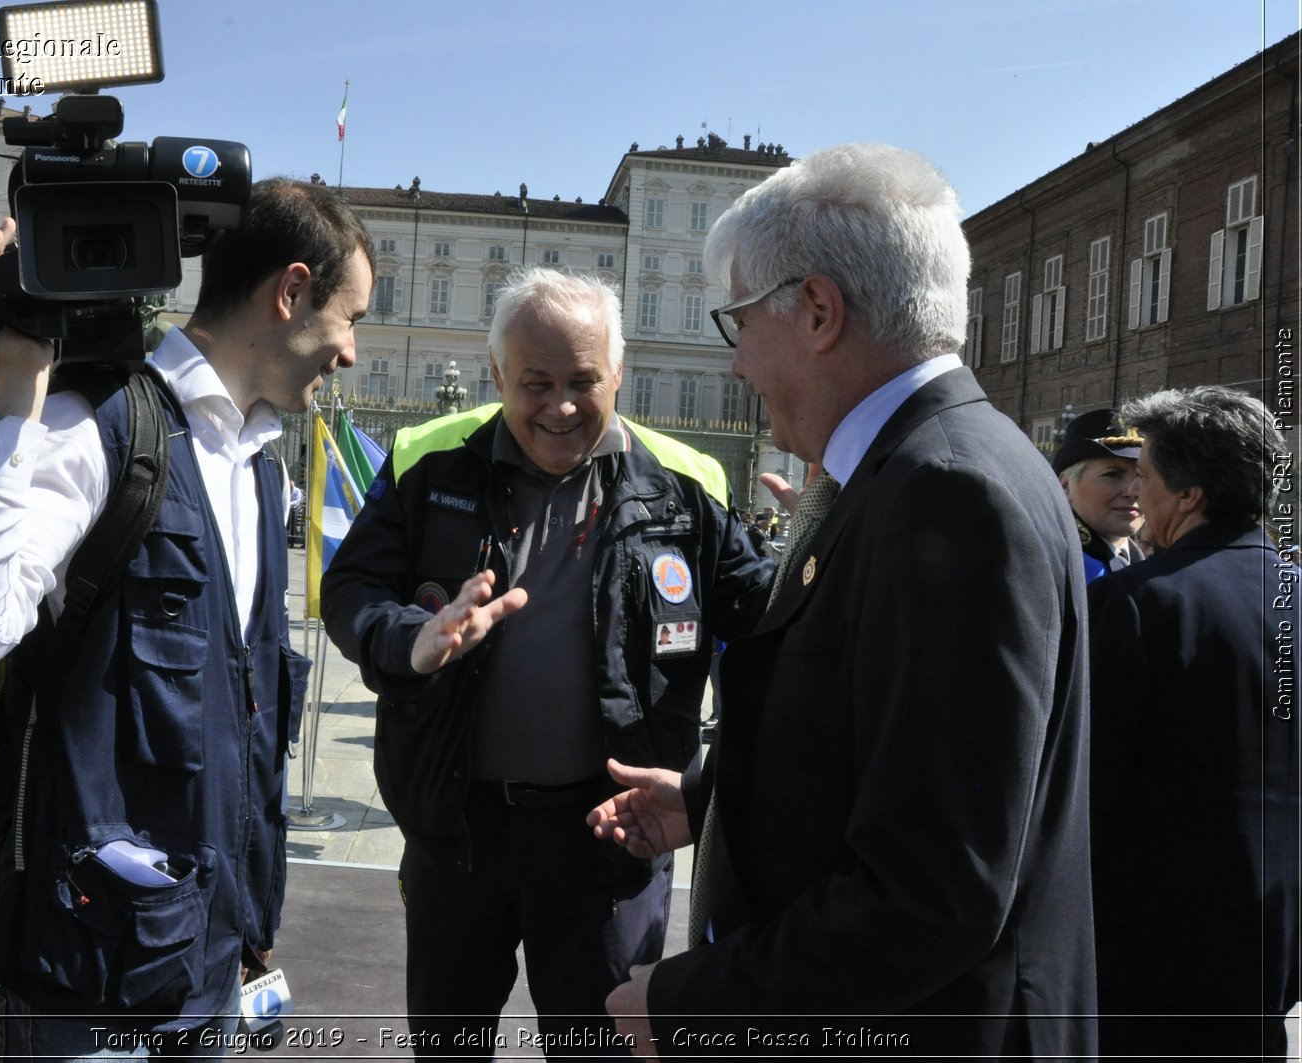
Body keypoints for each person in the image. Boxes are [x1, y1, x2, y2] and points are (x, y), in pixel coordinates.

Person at [590, 142, 1096, 1057]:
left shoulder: (949, 494)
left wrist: (693, 1001)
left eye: (738, 322)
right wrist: (711, 799)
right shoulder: (919, 469)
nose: (738, 364)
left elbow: (932, 890)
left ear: (817, 310)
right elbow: (882, 756)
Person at [0, 178, 373, 1062]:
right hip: (87, 991)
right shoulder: (103, 429)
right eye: (352, 318)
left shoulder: (261, 466)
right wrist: (14, 391)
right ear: (292, 291)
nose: (350, 352)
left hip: (208, 967)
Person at [321, 268, 775, 1056]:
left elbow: (778, 626)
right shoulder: (429, 459)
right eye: (535, 382)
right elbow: (351, 586)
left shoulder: (687, 484)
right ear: (497, 375)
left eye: (582, 381)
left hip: (610, 839)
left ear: (618, 376)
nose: (561, 406)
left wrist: (823, 547)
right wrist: (407, 640)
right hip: (458, 833)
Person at [1087, 386, 1299, 1057]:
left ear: (1189, 495)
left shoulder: (1139, 604)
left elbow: (1083, 787)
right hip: (1275, 956)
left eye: (1144, 477)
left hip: (1152, 968)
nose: (1136, 497)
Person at [1052, 407, 1145, 581]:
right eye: (1112, 475)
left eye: (1143, 476)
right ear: (1065, 486)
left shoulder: (1152, 565)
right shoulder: (1051, 565)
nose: (1133, 491)